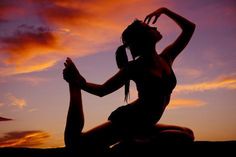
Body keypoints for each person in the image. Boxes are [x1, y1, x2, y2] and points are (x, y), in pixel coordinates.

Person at [63, 7, 196, 152]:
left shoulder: (167, 57)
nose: (155, 27)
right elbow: (102, 90)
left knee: (187, 133)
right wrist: (79, 83)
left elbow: (189, 28)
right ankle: (73, 87)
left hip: (145, 126)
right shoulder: (135, 67)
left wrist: (165, 11)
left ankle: (137, 143)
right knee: (76, 143)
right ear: (143, 38)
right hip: (128, 122)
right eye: (149, 28)